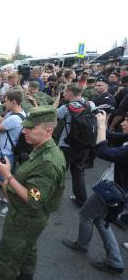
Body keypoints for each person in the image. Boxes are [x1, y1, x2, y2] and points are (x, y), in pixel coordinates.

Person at [0, 106, 66, 280]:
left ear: (48, 131)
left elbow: (34, 200)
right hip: (27, 218)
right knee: (28, 248)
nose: (24, 131)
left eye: (31, 128)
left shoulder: (47, 162)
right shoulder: (43, 148)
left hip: (25, 219)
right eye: (25, 126)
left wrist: (8, 176)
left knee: (7, 259)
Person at [61, 111, 127, 274]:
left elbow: (103, 152)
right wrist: (93, 124)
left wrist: (101, 125)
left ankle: (83, 245)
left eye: (127, 121)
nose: (123, 123)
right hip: (115, 187)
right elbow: (110, 136)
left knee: (86, 215)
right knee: (99, 220)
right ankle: (115, 260)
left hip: (113, 189)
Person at [53, 83, 94, 207]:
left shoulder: (67, 107)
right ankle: (81, 199)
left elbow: (52, 116)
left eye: (65, 92)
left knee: (58, 172)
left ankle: (52, 199)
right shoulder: (90, 105)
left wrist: (56, 101)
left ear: (70, 93)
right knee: (78, 172)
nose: (64, 94)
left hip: (67, 145)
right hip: (84, 144)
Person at [0, 87, 26, 217]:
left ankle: (10, 205)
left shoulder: (14, 118)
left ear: (14, 102)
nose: (5, 103)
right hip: (7, 151)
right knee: (3, 179)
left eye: (7, 101)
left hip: (5, 153)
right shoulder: (18, 113)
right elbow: (3, 122)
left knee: (4, 180)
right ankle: (5, 199)